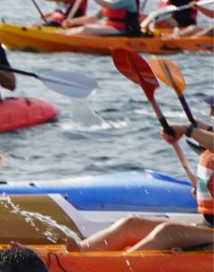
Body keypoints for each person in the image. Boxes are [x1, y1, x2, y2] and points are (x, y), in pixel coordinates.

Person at [66, 100, 214, 250]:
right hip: (207, 225)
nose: (211, 113)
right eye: (211, 108)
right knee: (131, 224)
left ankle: (123, 262)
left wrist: (187, 129)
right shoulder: (208, 140)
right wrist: (184, 128)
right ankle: (80, 252)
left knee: (167, 232)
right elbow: (205, 129)